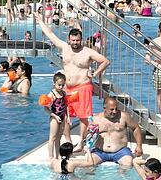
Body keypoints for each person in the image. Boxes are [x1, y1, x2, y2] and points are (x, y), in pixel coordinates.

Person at [37, 15, 110, 151]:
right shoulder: (64, 47)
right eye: (73, 40)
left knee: (83, 117)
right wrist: (40, 21)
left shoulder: (88, 52)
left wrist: (95, 73)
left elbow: (105, 61)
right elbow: (50, 34)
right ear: (69, 39)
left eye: (77, 40)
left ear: (81, 40)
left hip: (83, 86)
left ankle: (81, 143)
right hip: (67, 88)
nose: (75, 42)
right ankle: (69, 141)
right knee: (64, 116)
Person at [89, 97, 144, 166]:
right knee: (90, 163)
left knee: (128, 163)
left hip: (120, 151)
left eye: (116, 109)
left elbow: (136, 128)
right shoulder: (95, 119)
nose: (115, 111)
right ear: (104, 108)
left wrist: (139, 146)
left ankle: (121, 177)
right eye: (112, 109)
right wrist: (89, 131)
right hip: (100, 152)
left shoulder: (124, 116)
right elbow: (86, 135)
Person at [43, 72, 72, 159]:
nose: (61, 87)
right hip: (54, 118)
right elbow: (46, 108)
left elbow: (66, 105)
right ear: (54, 83)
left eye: (63, 85)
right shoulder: (51, 95)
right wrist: (54, 116)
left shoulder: (63, 93)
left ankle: (57, 155)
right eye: (59, 85)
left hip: (62, 117)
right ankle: (51, 157)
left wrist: (68, 117)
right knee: (52, 137)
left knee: (59, 137)